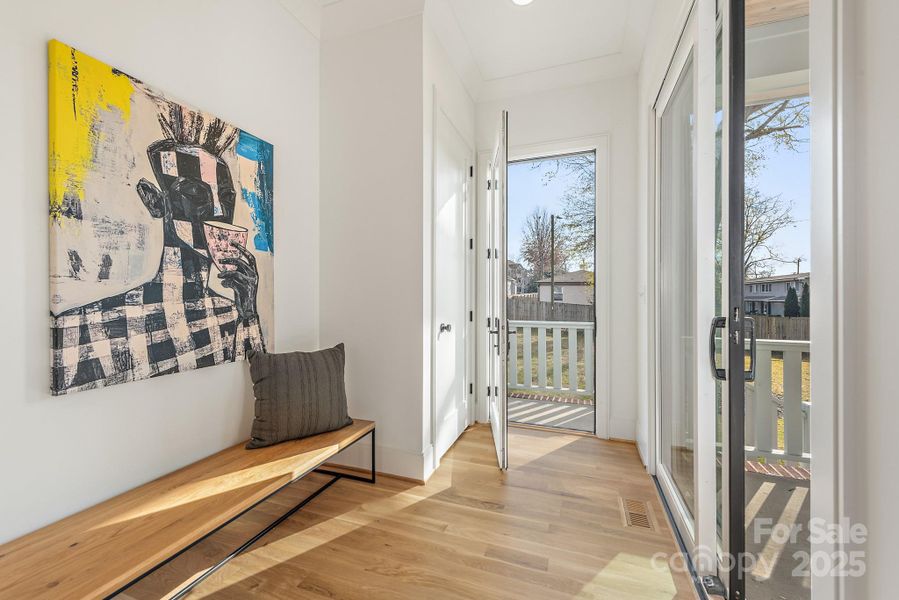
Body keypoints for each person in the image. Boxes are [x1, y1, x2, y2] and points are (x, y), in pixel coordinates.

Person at [51, 120, 265, 395]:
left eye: (226, 197)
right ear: (154, 200)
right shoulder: (84, 326)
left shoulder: (233, 315)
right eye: (194, 193)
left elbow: (260, 380)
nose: (219, 210)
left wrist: (248, 311)